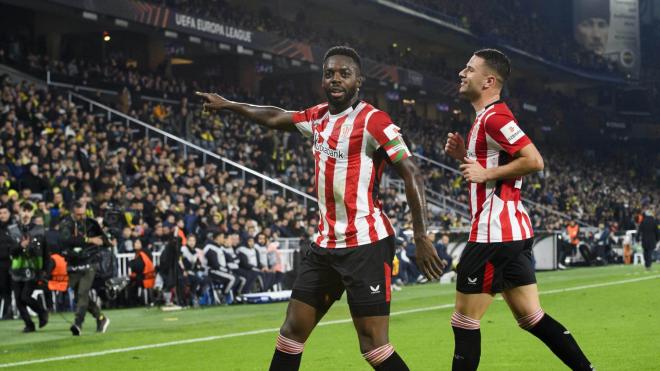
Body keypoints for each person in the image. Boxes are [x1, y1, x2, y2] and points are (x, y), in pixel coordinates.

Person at [197, 45, 445, 371]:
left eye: (345, 73)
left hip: (366, 245)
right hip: (326, 245)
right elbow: (274, 116)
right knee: (291, 332)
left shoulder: (374, 120)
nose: (335, 79)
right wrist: (231, 105)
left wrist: (421, 235)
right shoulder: (316, 117)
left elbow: (411, 171)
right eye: (329, 73)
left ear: (359, 81)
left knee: (373, 345)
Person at [445, 49, 594, 370]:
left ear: (488, 81)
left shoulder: (496, 117)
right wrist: (465, 158)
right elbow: (495, 168)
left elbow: (534, 160)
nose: (461, 73)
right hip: (512, 232)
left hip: (493, 234)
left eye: (469, 69)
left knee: (464, 321)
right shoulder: (483, 119)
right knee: (531, 317)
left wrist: (484, 172)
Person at [59, 202, 110, 335]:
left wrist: (104, 238)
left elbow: (104, 240)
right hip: (73, 262)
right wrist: (89, 240)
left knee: (82, 293)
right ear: (72, 212)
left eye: (83, 213)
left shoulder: (91, 223)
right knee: (79, 296)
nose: (81, 216)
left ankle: (78, 324)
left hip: (89, 261)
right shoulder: (66, 223)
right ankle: (101, 318)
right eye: (78, 214)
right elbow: (67, 240)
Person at [7, 202, 49, 332]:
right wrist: (21, 246)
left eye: (28, 211)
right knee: (19, 300)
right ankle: (29, 324)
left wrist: (45, 270)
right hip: (16, 269)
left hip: (33, 269)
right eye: (23, 211)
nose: (25, 214)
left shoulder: (40, 229)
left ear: (32, 213)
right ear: (19, 212)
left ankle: (42, 312)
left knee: (25, 296)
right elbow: (9, 250)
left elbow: (46, 251)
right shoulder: (12, 229)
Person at [0, 203, 14, 320]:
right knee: (4, 288)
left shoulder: (14, 228)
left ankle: (11, 310)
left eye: (5, 213)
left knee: (13, 288)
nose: (2, 215)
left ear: (9, 214)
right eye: (0, 213)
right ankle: (6, 311)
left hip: (14, 263)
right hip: (1, 264)